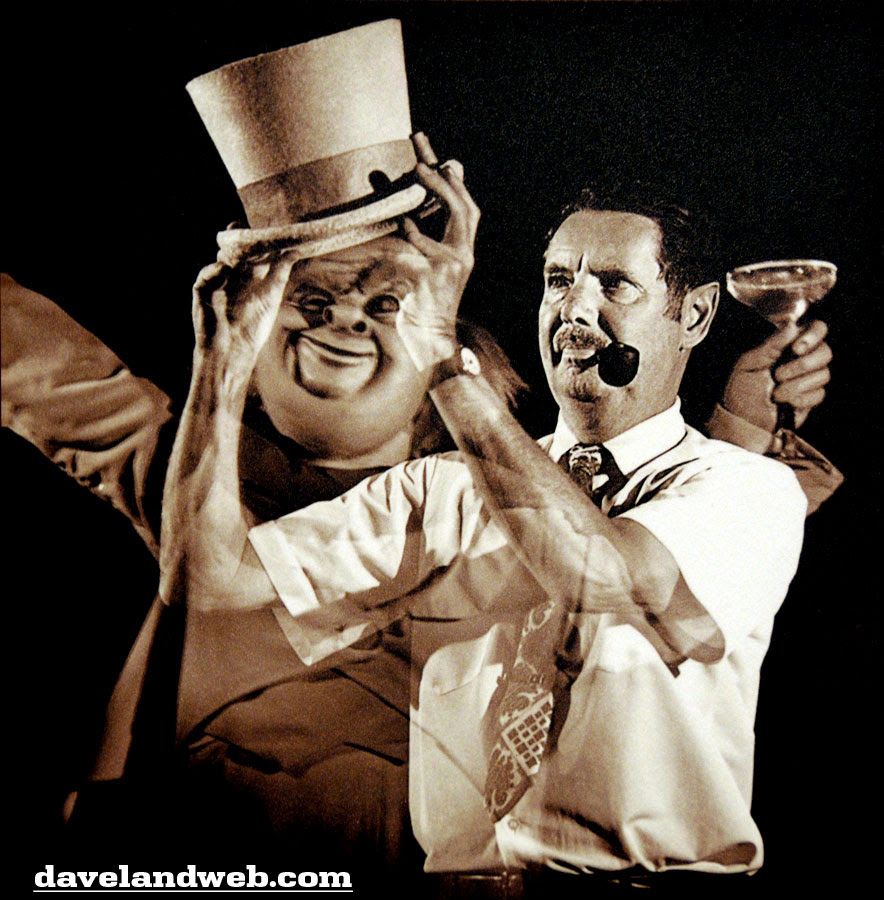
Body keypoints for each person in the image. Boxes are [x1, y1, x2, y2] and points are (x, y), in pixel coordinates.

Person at [160, 157, 831, 895]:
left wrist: (443, 360)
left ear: (694, 316)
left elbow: (598, 577)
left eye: (614, 285)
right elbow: (209, 579)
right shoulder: (442, 489)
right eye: (558, 280)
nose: (574, 311)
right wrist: (221, 359)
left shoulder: (747, 489)